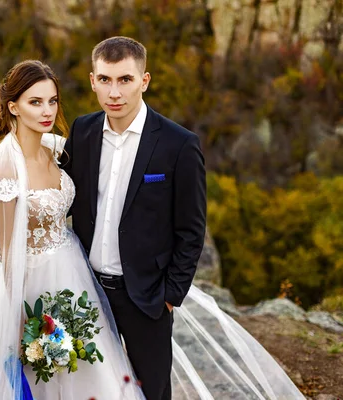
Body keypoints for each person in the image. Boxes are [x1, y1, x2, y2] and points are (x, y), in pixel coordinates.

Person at [61, 36, 306, 400]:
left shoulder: (179, 144)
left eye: (125, 79)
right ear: (93, 80)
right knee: (89, 388)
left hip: (145, 297)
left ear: (144, 81)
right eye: (106, 79)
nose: (115, 92)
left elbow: (192, 228)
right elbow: (63, 194)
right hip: (88, 290)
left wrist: (170, 295)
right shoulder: (82, 131)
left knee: (152, 391)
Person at [0, 59, 145, 400]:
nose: (46, 110)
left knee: (89, 366)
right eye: (34, 102)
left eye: (52, 101)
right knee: (44, 375)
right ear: (13, 107)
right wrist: (20, 318)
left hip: (73, 273)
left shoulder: (54, 147)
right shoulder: (7, 164)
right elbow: (5, 252)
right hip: (32, 284)